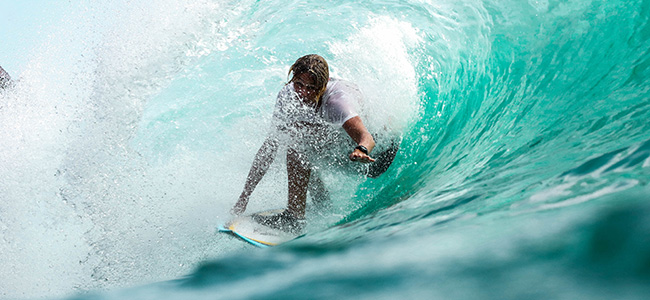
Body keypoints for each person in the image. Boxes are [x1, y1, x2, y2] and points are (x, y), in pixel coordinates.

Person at [231, 54, 398, 233]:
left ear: (323, 86)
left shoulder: (337, 102)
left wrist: (361, 150)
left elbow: (367, 137)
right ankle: (322, 203)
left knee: (298, 147)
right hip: (347, 151)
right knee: (296, 135)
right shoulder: (288, 95)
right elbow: (269, 148)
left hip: (377, 157)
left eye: (311, 88)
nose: (303, 92)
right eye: (299, 84)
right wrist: (244, 197)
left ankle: (294, 218)